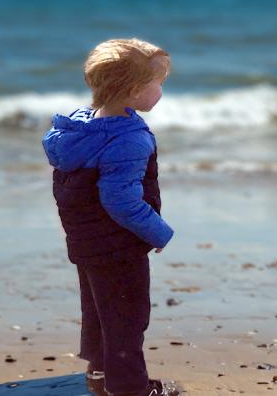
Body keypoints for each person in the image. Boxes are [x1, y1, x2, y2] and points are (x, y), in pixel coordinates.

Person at [42, 38, 184, 396]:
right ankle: (131, 388)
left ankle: (101, 376)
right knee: (127, 318)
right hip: (117, 244)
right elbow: (120, 201)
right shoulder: (127, 140)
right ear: (135, 91)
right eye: (158, 83)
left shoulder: (79, 129)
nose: (161, 90)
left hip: (86, 240)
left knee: (100, 312)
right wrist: (158, 232)